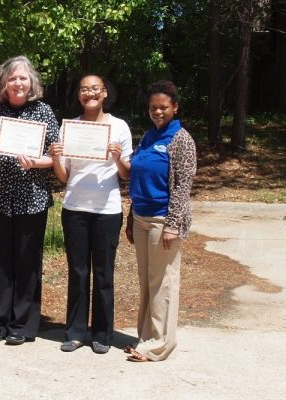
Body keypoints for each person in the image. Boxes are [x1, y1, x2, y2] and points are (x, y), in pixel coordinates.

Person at [0, 56, 59, 345]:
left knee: (27, 262)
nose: (18, 83)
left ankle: (22, 324)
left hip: (31, 198)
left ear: (31, 82)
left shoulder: (44, 111)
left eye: (23, 78)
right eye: (12, 78)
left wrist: (37, 163)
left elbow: (57, 157)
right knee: (0, 262)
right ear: (3, 83)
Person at [49, 73, 132, 353]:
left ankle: (102, 334)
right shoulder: (70, 127)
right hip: (74, 208)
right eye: (84, 89)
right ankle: (75, 332)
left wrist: (119, 156)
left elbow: (125, 174)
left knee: (104, 273)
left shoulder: (119, 127)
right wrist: (56, 157)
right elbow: (63, 177)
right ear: (79, 95)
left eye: (95, 88)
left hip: (107, 209)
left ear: (105, 92)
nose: (90, 94)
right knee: (78, 272)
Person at [124, 80, 196, 362]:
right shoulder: (148, 137)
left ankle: (158, 345)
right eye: (153, 107)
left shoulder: (181, 140)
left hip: (163, 220)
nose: (158, 112)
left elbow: (182, 187)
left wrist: (173, 225)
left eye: (163, 107)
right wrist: (131, 218)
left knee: (163, 283)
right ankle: (145, 338)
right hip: (142, 218)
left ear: (175, 107)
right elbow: (138, 178)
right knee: (147, 281)